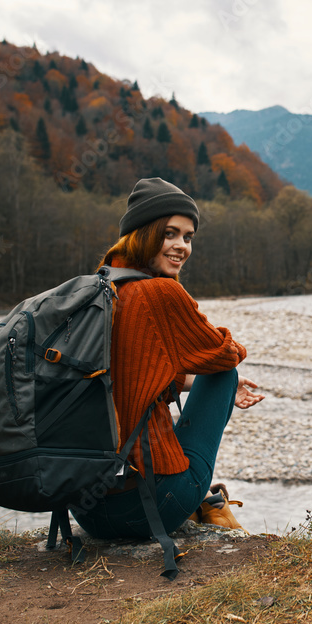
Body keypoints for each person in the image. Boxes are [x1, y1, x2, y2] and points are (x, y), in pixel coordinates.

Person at [70, 177, 264, 540]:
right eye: (170, 234)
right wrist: (226, 379)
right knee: (224, 373)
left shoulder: (102, 290)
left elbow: (137, 377)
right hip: (152, 506)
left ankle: (204, 500)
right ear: (142, 234)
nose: (181, 246)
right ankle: (207, 502)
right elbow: (224, 354)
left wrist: (200, 384)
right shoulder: (159, 291)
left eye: (188, 237)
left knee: (218, 379)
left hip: (88, 511)